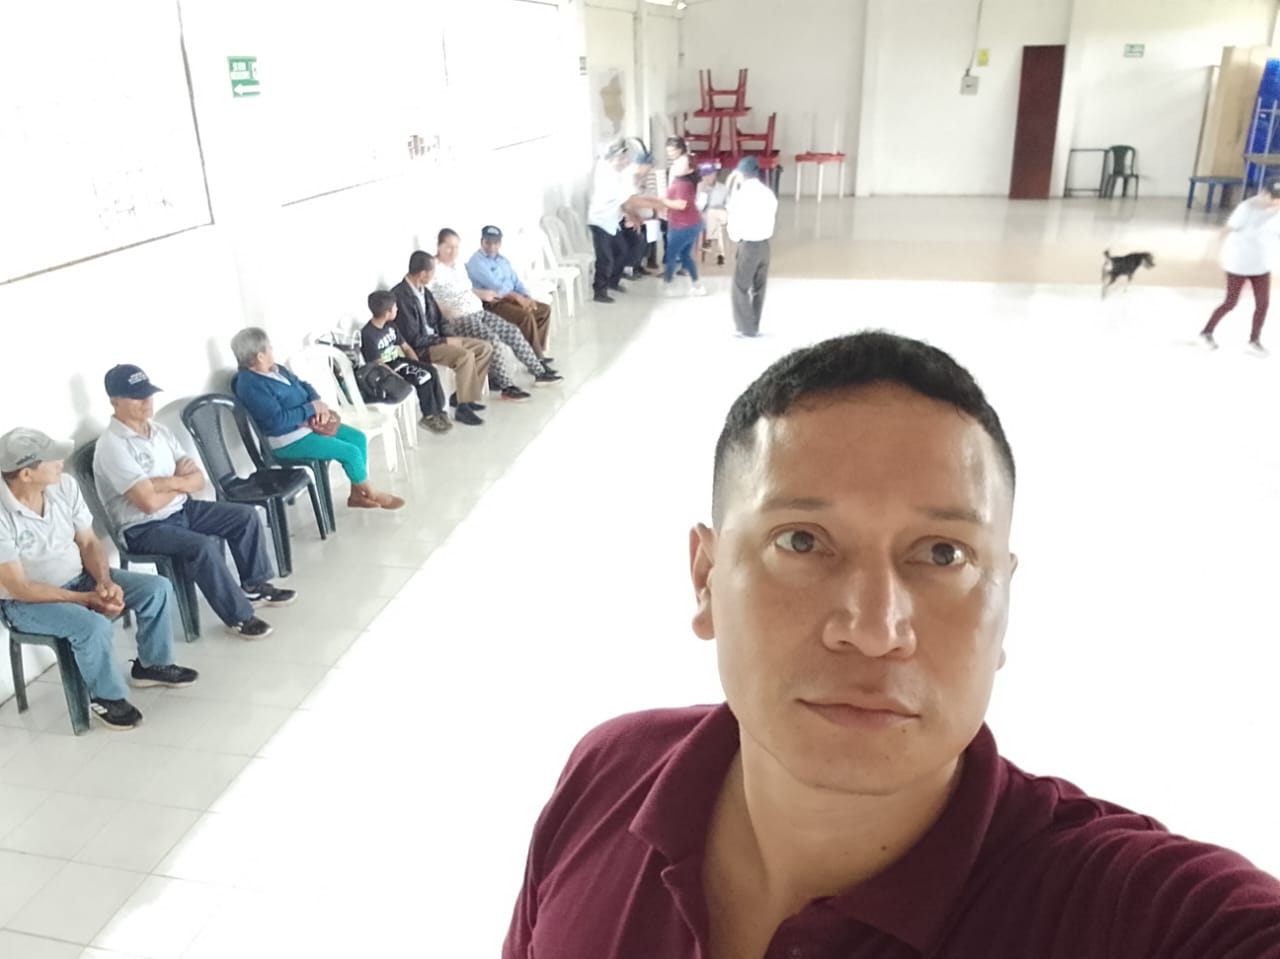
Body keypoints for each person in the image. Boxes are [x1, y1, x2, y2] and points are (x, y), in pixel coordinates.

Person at [503, 331, 1280, 958]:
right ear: (705, 578)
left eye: (942, 554)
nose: (873, 629)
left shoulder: (1131, 912)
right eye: (802, 540)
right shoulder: (609, 776)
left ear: (1003, 602)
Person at [0, 428, 198, 731]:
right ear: (26, 474)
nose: (61, 462)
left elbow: (89, 542)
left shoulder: (64, 485)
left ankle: (152, 665)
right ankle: (107, 698)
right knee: (92, 626)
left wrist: (104, 582)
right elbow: (20, 587)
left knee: (155, 588)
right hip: (25, 603)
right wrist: (85, 599)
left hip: (79, 578)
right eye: (52, 459)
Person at [94, 364, 290, 640]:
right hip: (143, 528)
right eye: (137, 397)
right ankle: (239, 617)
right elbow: (148, 504)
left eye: (148, 394)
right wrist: (178, 482)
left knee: (244, 516)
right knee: (202, 546)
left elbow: (198, 480)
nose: (146, 402)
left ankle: (255, 586)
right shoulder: (112, 446)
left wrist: (163, 483)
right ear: (115, 401)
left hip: (180, 509)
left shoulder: (159, 431)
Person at [230, 327, 404, 511]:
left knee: (357, 438)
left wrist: (317, 402)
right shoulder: (251, 385)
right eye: (269, 348)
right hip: (289, 440)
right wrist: (311, 409)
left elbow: (304, 385)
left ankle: (356, 495)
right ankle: (372, 493)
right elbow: (276, 422)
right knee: (351, 453)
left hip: (311, 425)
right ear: (260, 356)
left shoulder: (276, 369)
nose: (272, 350)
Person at [431, 229, 562, 399]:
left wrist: (481, 293)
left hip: (477, 310)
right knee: (492, 339)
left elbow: (466, 290)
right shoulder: (433, 268)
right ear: (439, 246)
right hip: (459, 319)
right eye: (449, 247)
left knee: (512, 331)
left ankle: (539, 371)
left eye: (456, 247)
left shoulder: (457, 266)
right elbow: (426, 298)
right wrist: (443, 310)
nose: (453, 251)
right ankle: (506, 386)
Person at [390, 251, 491, 425]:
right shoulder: (401, 297)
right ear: (423, 274)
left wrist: (450, 337)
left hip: (437, 339)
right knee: (465, 356)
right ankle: (463, 409)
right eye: (432, 272)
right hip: (423, 348)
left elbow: (440, 320)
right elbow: (413, 339)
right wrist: (444, 341)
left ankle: (462, 397)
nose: (433, 276)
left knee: (484, 348)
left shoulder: (425, 292)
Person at [1199, 180, 1280, 357]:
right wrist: (1211, 252)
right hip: (1238, 265)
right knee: (1231, 303)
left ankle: (1254, 341)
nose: (1276, 202)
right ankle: (1206, 333)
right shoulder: (1247, 208)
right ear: (1264, 193)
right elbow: (1225, 230)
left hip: (1261, 265)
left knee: (1263, 304)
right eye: (1273, 198)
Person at [360, 291, 452, 434]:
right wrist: (398, 377)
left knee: (431, 371)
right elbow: (378, 363)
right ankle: (428, 416)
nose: (397, 309)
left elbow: (406, 347)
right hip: (387, 369)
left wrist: (417, 364)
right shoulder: (368, 334)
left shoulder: (391, 326)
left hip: (399, 361)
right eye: (395, 307)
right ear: (387, 313)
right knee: (422, 378)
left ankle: (439, 411)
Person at [465, 225, 553, 362]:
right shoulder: (476, 262)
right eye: (488, 242)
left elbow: (516, 281)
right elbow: (496, 287)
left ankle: (537, 353)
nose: (492, 247)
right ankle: (536, 360)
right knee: (525, 317)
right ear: (482, 242)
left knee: (543, 310)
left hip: (512, 299)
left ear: (500, 243)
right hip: (493, 303)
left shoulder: (503, 261)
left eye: (495, 243)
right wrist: (518, 298)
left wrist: (527, 297)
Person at [725, 156, 779, 338]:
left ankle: (746, 328)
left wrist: (734, 238)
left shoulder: (740, 196)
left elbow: (733, 221)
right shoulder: (768, 194)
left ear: (741, 174)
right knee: (759, 287)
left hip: (748, 246)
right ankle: (754, 324)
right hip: (765, 246)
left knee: (740, 287)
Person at [587, 141, 634, 303]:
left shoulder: (616, 173)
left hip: (612, 221)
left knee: (622, 251)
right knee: (605, 259)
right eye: (621, 159)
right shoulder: (605, 175)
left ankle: (613, 282)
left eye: (625, 158)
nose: (624, 162)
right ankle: (599, 292)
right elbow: (624, 200)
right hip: (600, 222)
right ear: (611, 159)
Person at [659, 141, 706, 297]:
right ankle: (697, 285)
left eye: (681, 164)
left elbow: (681, 204)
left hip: (684, 225)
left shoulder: (684, 184)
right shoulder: (680, 181)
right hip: (685, 223)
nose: (676, 165)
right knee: (684, 255)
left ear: (689, 168)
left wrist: (661, 202)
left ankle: (667, 285)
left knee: (671, 255)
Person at [696, 162, 730, 265]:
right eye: (704, 175)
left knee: (714, 215)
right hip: (706, 216)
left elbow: (729, 203)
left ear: (714, 174)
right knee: (717, 225)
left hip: (721, 213)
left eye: (709, 175)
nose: (707, 178)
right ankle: (721, 254)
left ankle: (709, 241)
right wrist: (704, 193)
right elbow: (699, 207)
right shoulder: (700, 187)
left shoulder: (723, 188)